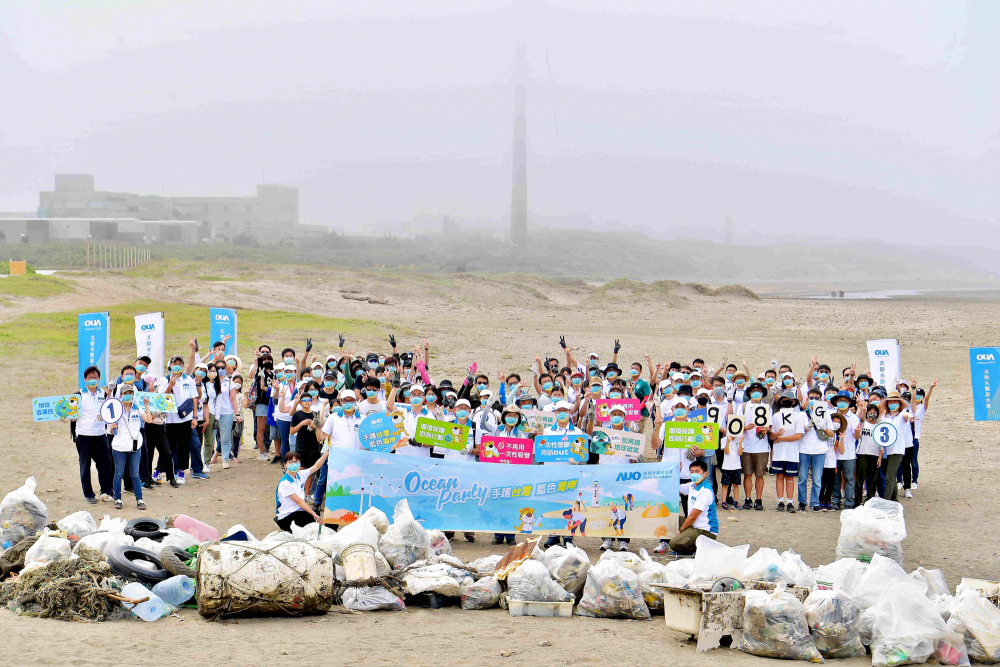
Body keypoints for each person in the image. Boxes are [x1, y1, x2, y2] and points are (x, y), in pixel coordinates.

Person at [70, 365, 115, 504]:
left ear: (99, 379)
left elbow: (111, 413)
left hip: (101, 434)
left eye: (95, 377)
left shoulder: (104, 394)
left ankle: (106, 491)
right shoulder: (78, 395)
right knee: (85, 465)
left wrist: (107, 419)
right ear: (85, 379)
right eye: (90, 377)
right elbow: (72, 417)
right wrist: (70, 416)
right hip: (84, 435)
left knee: (105, 465)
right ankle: (88, 494)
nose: (93, 379)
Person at [109, 388, 154, 510]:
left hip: (135, 446)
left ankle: (139, 499)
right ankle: (117, 498)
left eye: (130, 393)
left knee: (135, 474)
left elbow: (149, 420)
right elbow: (109, 429)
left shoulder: (137, 408)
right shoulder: (115, 409)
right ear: (121, 395)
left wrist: (146, 405)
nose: (128, 395)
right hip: (119, 446)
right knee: (119, 473)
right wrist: (112, 427)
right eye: (125, 393)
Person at [275, 446, 331, 532]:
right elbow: (299, 502)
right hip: (286, 516)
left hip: (299, 512)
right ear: (285, 464)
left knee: (313, 521)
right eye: (290, 462)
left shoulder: (300, 475)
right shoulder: (285, 483)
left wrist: (326, 453)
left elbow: (316, 467)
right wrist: (314, 514)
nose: (294, 464)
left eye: (296, 461)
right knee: (312, 523)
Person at [668, 460, 718, 555]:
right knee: (670, 518)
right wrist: (677, 472)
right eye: (691, 471)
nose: (694, 474)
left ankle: (702, 548)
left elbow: (693, 517)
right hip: (694, 525)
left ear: (705, 474)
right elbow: (674, 487)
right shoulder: (692, 485)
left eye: (697, 471)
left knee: (674, 544)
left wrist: (680, 531)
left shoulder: (705, 491)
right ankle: (688, 538)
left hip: (705, 531)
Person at [798, 386, 833, 512]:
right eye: (811, 398)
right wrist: (807, 427)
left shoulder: (827, 414)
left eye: (816, 398)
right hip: (804, 449)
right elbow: (798, 433)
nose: (813, 400)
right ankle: (802, 502)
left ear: (821, 399)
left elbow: (831, 434)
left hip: (820, 450)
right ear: (807, 398)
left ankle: (814, 502)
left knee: (817, 478)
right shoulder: (802, 414)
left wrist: (823, 426)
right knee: (802, 477)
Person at [738, 382, 771, 510]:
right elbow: (736, 425)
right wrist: (745, 427)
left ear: (762, 393)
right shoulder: (743, 407)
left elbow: (770, 427)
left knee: (760, 474)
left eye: (759, 391)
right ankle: (747, 498)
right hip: (746, 445)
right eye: (753, 391)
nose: (756, 393)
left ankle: (758, 499)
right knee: (747, 474)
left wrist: (765, 430)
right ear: (749, 393)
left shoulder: (767, 407)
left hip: (761, 446)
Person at [771, 390, 804, 513]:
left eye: (789, 399)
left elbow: (798, 436)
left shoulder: (798, 416)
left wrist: (780, 438)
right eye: (784, 399)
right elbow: (772, 436)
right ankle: (780, 500)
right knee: (779, 476)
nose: (786, 401)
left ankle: (790, 501)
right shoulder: (776, 416)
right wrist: (776, 435)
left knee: (790, 477)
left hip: (792, 452)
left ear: (794, 401)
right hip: (779, 452)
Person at [880, 391, 912, 501]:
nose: (893, 403)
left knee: (889, 476)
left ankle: (887, 501)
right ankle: (894, 500)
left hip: (897, 450)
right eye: (890, 401)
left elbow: (906, 415)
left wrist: (910, 416)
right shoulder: (885, 417)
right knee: (891, 476)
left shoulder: (901, 416)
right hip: (885, 450)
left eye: (895, 401)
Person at [719, 432, 743, 511]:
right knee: (725, 485)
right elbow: (726, 451)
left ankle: (736, 501)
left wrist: (740, 443)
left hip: (737, 466)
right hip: (727, 466)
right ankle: (724, 501)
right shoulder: (723, 439)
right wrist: (728, 441)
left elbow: (740, 453)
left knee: (736, 484)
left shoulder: (739, 439)